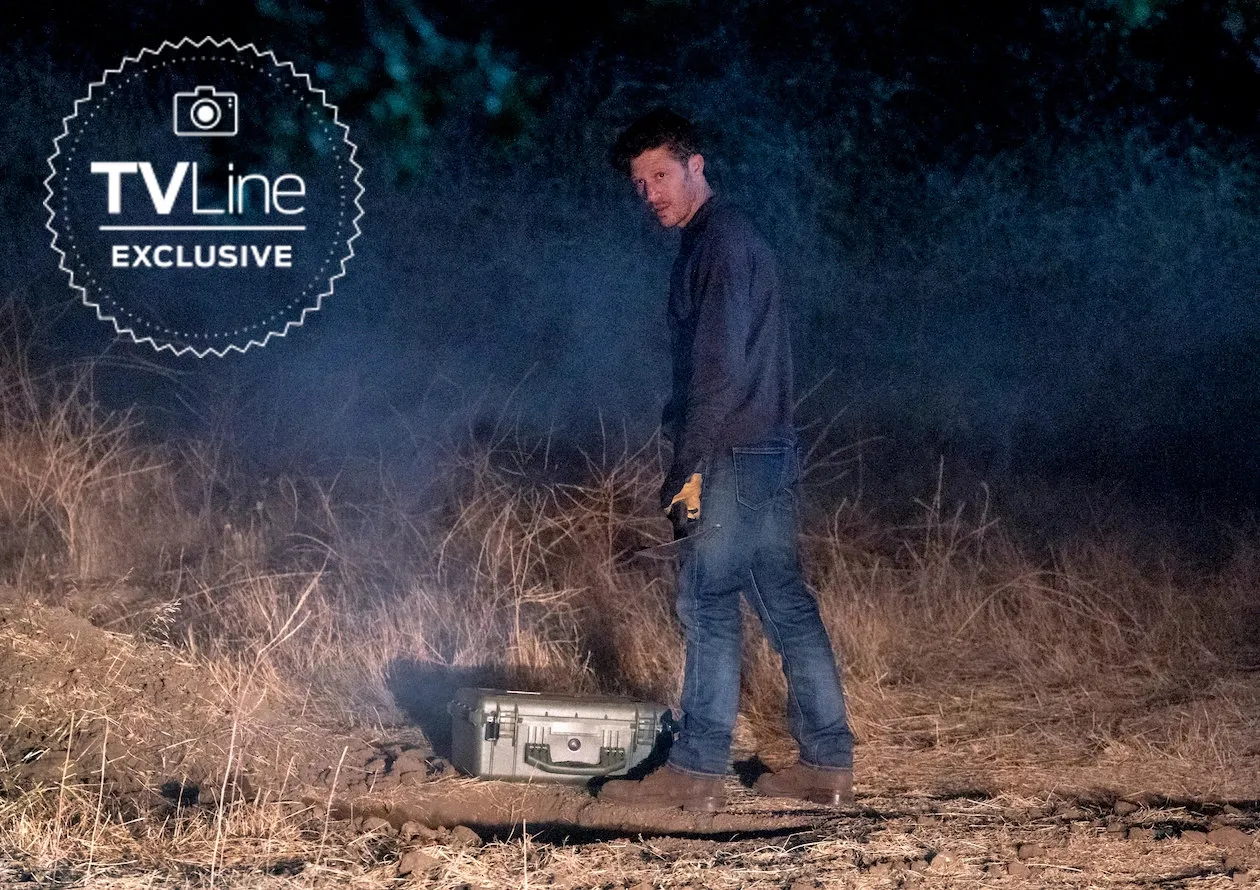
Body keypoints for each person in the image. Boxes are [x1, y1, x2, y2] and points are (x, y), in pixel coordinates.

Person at [599, 108, 854, 812]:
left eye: (660, 175)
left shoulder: (719, 243)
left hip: (731, 453)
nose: (650, 193)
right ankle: (828, 763)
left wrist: (686, 467)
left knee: (706, 600)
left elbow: (716, 371)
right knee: (784, 601)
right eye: (639, 183)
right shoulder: (727, 239)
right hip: (765, 447)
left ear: (696, 165)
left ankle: (697, 771)